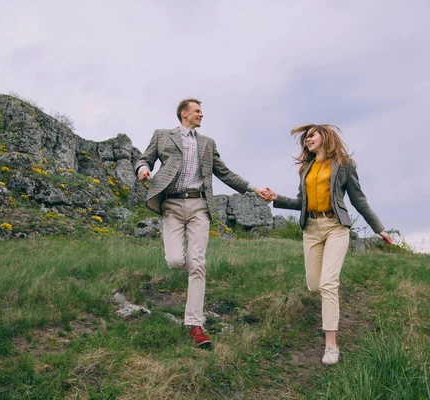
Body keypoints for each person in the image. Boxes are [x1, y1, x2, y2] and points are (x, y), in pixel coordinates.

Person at [135, 98, 270, 348]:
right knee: (175, 261)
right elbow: (144, 159)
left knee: (198, 263)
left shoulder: (207, 143)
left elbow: (225, 173)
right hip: (172, 205)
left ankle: (195, 325)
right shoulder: (162, 135)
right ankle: (195, 272)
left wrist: (254, 188)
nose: (202, 115)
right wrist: (142, 170)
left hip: (199, 205)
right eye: (197, 111)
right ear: (184, 113)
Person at [264, 124, 392, 365]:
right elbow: (301, 202)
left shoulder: (343, 164)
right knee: (314, 286)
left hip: (336, 227)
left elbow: (359, 200)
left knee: (328, 284)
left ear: (325, 136)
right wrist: (276, 198)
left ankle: (331, 345)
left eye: (311, 135)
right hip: (311, 229)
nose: (307, 140)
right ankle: (328, 307)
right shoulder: (306, 168)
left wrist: (380, 229)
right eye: (305, 138)